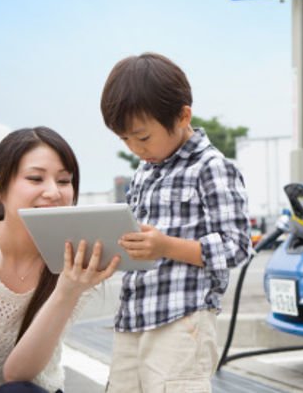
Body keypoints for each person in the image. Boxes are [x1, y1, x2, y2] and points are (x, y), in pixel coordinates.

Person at [0, 127, 120, 393]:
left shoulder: (76, 261)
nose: (52, 192)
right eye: (35, 178)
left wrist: (66, 290)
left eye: (64, 181)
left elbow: (17, 375)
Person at [100, 52, 251, 392]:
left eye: (142, 137)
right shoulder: (144, 172)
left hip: (182, 318)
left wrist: (165, 246)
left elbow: (238, 246)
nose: (136, 148)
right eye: (124, 140)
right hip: (132, 317)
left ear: (183, 116)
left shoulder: (212, 167)